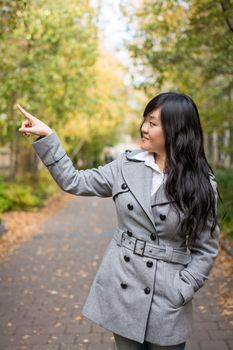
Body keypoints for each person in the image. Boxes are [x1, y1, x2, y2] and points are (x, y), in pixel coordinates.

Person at [17, 92, 220, 350]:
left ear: (176, 130)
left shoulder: (201, 184)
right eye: (145, 120)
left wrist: (183, 288)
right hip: (124, 287)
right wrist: (48, 137)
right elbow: (74, 181)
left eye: (153, 123)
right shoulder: (126, 165)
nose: (144, 128)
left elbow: (206, 248)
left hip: (169, 297)